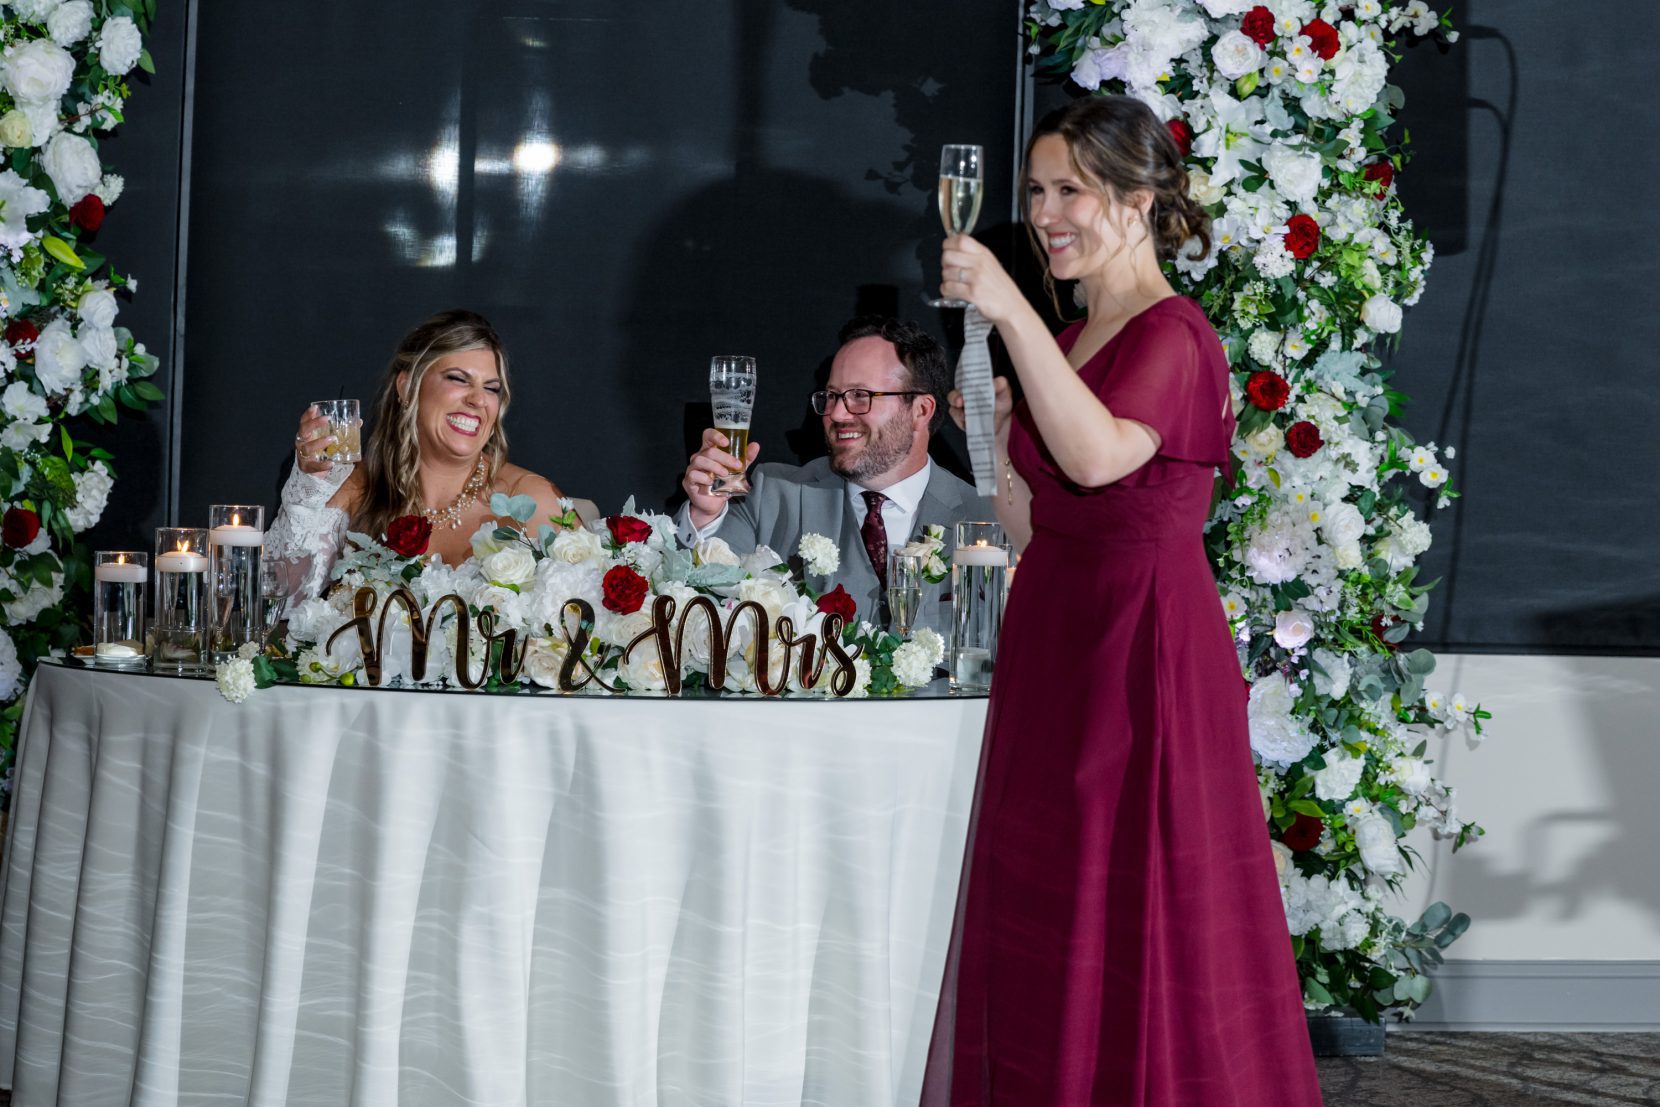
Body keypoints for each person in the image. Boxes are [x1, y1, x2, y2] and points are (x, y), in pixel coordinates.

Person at [921, 97, 1324, 1105]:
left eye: (1070, 190)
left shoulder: (1174, 333)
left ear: (1139, 201)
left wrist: (1006, 309)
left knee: (1137, 902)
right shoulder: (1072, 332)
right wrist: (994, 427)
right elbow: (1038, 521)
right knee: (1056, 898)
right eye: (1034, 191)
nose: (1043, 213)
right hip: (1057, 636)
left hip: (1139, 648)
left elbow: (1101, 460)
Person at [677, 316, 990, 630]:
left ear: (921, 410)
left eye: (860, 396)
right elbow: (691, 605)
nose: (837, 414)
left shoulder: (987, 518)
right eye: (832, 396)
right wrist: (705, 516)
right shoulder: (769, 496)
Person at [265, 309, 573, 601]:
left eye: (491, 388)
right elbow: (281, 598)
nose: (479, 399)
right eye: (458, 379)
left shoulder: (530, 501)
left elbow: (583, 623)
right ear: (407, 386)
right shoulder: (356, 488)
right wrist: (310, 485)